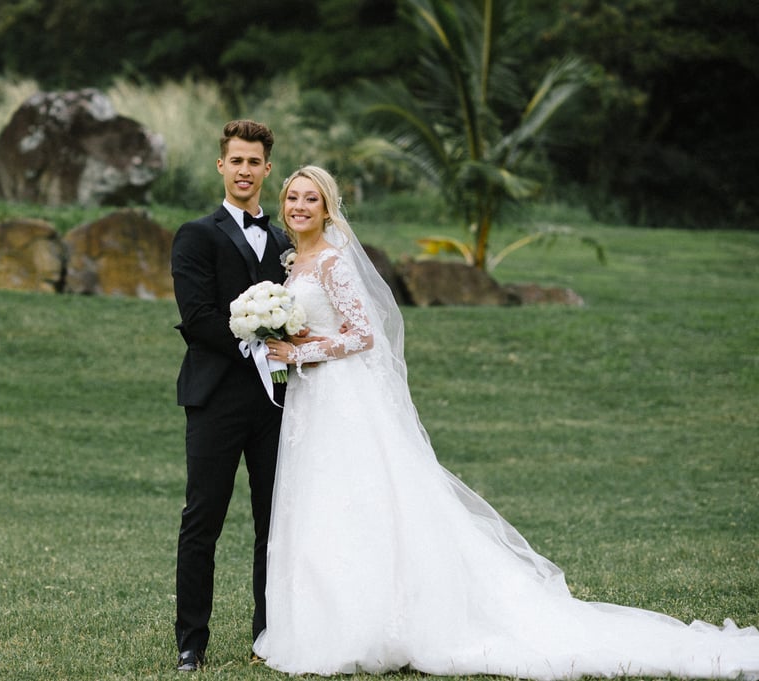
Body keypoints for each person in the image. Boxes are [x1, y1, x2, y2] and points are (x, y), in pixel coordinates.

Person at [255, 165, 759, 678]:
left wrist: (298, 353)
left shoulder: (334, 262)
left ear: (327, 206)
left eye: (310, 199)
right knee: (322, 499)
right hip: (314, 401)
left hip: (342, 400)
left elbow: (363, 334)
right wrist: (288, 343)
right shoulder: (297, 262)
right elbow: (322, 326)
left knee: (354, 499)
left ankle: (372, 625)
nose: (299, 206)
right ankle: (327, 622)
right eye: (292, 197)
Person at [170, 119, 294, 672]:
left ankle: (267, 634)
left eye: (255, 162)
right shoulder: (196, 235)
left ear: (268, 169)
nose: (245, 171)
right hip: (216, 398)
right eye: (236, 161)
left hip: (279, 406)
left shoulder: (290, 241)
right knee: (203, 519)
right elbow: (197, 319)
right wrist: (256, 345)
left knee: (276, 521)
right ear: (221, 165)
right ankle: (191, 640)